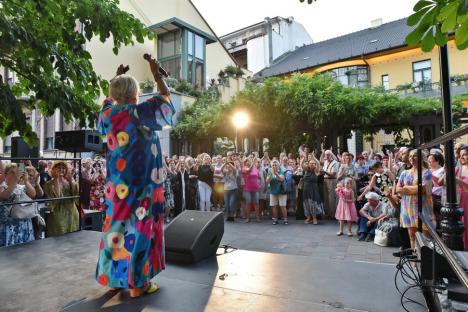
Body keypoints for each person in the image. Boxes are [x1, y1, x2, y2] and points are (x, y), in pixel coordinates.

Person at [95, 60, 174, 298]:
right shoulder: (140, 112)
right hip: (142, 185)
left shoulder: (107, 115)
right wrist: (157, 75)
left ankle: (116, 279)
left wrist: (115, 79)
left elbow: (108, 101)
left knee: (116, 226)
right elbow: (165, 101)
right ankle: (138, 285)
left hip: (117, 185)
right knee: (141, 227)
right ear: (135, 95)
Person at [396, 149, 436, 250]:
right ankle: (415, 262)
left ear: (421, 158)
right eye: (410, 156)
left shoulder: (426, 172)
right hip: (407, 207)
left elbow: (422, 189)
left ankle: (425, 261)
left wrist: (406, 187)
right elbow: (398, 189)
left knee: (426, 238)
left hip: (423, 208)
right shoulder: (405, 173)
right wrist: (413, 188)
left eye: (415, 156)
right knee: (412, 236)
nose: (412, 158)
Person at [0, 163, 36, 247]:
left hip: (23, 223)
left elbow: (33, 194)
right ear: (5, 174)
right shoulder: (2, 186)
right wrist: (15, 180)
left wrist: (26, 181)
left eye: (17, 172)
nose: (15, 174)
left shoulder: (22, 186)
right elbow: (4, 196)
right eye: (12, 172)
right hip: (8, 225)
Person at [302, 157, 324, 225]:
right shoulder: (306, 171)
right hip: (306, 190)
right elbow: (302, 165)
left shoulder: (316, 171)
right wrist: (304, 158)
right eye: (310, 163)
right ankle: (309, 217)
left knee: (313, 204)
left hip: (313, 190)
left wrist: (314, 158)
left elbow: (318, 164)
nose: (311, 164)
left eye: (313, 163)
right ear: (308, 164)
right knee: (306, 204)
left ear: (315, 165)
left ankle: (314, 218)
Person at [267, 160, 288, 225]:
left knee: (282, 206)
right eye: (273, 165)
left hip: (281, 191)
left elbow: (281, 179)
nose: (274, 166)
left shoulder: (281, 171)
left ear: (278, 165)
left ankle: (285, 219)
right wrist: (271, 174)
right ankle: (275, 219)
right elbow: (267, 182)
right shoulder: (269, 171)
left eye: (275, 165)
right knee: (274, 206)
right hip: (273, 191)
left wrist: (275, 173)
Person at [241, 158, 261, 222]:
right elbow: (248, 170)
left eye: (249, 161)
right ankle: (248, 218)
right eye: (247, 161)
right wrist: (253, 163)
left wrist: (259, 184)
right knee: (248, 203)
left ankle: (257, 217)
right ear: (245, 163)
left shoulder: (256, 169)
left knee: (256, 203)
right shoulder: (244, 168)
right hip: (247, 189)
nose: (248, 162)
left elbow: (259, 177)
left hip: (255, 189)